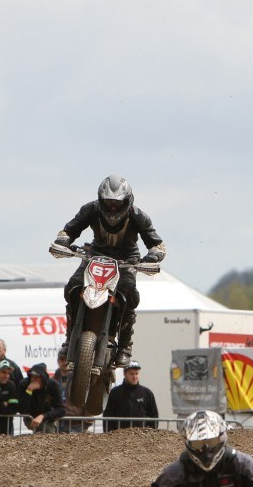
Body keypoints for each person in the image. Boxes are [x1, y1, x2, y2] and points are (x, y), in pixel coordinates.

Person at [52, 176, 166, 368]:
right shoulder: (91, 209)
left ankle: (124, 347)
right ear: (100, 199)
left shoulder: (139, 216)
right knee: (72, 288)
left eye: (116, 203)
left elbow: (157, 244)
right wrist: (64, 240)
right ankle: (70, 338)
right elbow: (69, 230)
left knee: (129, 295)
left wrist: (153, 256)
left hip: (127, 259)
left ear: (127, 201)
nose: (112, 207)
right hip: (95, 255)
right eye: (108, 202)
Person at [102, 360, 159, 432]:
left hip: (142, 437)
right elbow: (108, 416)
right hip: (119, 437)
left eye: (136, 373)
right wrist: (109, 435)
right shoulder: (115, 393)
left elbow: (154, 416)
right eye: (131, 374)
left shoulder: (147, 393)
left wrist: (152, 434)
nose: (135, 376)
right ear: (124, 374)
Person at [18, 363, 65, 434]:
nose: (34, 379)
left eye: (37, 377)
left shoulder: (53, 385)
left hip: (48, 417)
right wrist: (29, 391)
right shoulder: (24, 384)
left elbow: (61, 410)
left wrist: (43, 416)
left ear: (43, 378)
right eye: (32, 376)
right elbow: (22, 409)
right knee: (45, 430)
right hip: (30, 417)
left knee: (49, 432)